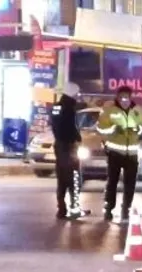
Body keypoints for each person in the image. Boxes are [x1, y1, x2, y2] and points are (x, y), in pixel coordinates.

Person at [95, 85, 142, 223]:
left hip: (132, 154)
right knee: (112, 182)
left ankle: (126, 209)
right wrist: (113, 129)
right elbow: (100, 129)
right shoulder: (109, 111)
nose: (124, 100)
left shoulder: (138, 111)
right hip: (115, 153)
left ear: (131, 97)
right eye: (122, 97)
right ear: (117, 97)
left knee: (130, 184)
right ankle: (108, 209)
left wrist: (138, 129)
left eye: (127, 97)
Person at [49, 82, 85, 220]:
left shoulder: (56, 107)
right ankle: (74, 208)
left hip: (59, 146)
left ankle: (61, 210)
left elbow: (55, 125)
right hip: (69, 147)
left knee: (62, 179)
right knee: (74, 178)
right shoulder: (69, 109)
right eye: (77, 94)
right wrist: (77, 137)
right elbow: (71, 128)